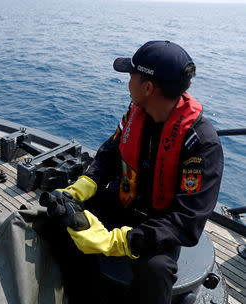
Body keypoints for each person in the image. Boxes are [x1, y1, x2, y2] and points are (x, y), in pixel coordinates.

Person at [50, 41, 224, 304]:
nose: (127, 81)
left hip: (161, 224)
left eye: (131, 75)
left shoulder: (201, 144)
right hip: (124, 202)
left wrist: (122, 241)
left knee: (154, 272)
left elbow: (186, 222)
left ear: (148, 87)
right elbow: (110, 152)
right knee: (63, 215)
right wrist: (83, 186)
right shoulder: (135, 112)